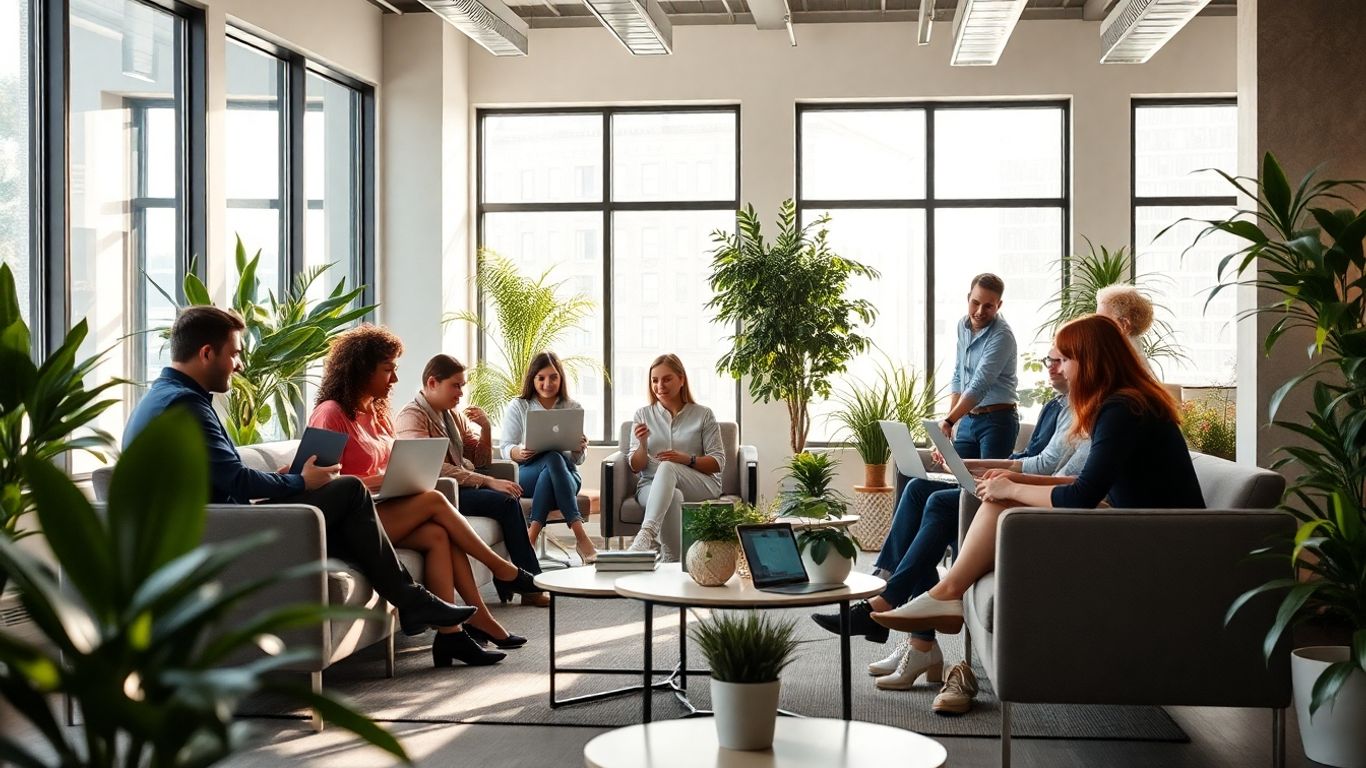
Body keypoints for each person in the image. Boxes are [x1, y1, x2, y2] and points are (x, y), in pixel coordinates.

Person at [123, 306, 478, 655]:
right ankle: (414, 601)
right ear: (206, 353)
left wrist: (285, 480)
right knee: (350, 489)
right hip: (222, 537)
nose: (240, 364)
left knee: (351, 507)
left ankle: (417, 604)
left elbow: (222, 476)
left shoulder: (163, 398)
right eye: (234, 354)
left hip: (220, 524)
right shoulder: (185, 406)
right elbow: (237, 481)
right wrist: (301, 482)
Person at [870, 315, 1204, 643]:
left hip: (1156, 540)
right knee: (997, 495)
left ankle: (945, 594)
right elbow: (1085, 484)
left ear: (1088, 361)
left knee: (1000, 495)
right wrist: (1008, 484)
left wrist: (1013, 486)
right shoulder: (1124, 403)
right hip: (1143, 526)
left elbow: (1081, 497)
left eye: (1066, 358)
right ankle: (945, 594)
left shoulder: (1122, 410)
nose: (1061, 368)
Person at [812, 349, 1086, 687]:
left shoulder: (1086, 410)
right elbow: (1028, 458)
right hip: (1023, 486)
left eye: (1061, 359)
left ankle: (894, 609)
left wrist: (999, 479)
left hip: (1034, 505)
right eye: (1050, 360)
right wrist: (964, 464)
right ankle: (913, 631)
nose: (1053, 368)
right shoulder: (1056, 407)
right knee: (916, 491)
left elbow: (1052, 472)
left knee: (939, 505)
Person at [308, 325, 541, 665]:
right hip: (351, 522)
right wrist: (385, 480)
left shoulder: (377, 414)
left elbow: (392, 466)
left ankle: (453, 637)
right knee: (434, 501)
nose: (395, 379)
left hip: (383, 507)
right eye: (388, 369)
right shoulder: (330, 413)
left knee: (437, 535)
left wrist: (400, 479)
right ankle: (503, 571)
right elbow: (327, 484)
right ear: (362, 368)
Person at [392, 353, 553, 608]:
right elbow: (430, 467)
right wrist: (487, 481)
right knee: (506, 503)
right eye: (455, 386)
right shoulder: (412, 416)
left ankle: (518, 580)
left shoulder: (452, 416)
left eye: (462, 386)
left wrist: (486, 428)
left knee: (508, 500)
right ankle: (528, 583)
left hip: (461, 487)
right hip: (438, 493)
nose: (460, 393)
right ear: (433, 382)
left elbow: (479, 459)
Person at [625, 354, 726, 561]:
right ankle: (672, 559)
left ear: (681, 379)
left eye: (666, 379)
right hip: (650, 486)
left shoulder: (704, 414)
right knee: (674, 496)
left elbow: (718, 463)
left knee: (668, 467)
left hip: (701, 484)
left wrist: (687, 459)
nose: (660, 385)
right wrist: (642, 444)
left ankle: (646, 534)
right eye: (655, 380)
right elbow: (636, 466)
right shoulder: (642, 415)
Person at [499, 351, 597, 564]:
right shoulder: (520, 406)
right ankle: (581, 537)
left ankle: (529, 539)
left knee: (554, 460)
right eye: (541, 378)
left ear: (560, 378)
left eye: (553, 377)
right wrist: (519, 452)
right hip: (528, 473)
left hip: (567, 475)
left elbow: (577, 460)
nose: (547, 383)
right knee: (552, 458)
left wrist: (580, 448)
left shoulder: (573, 407)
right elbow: (505, 447)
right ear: (532, 379)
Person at [936, 273, 1020, 460]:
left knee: (984, 486)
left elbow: (979, 385)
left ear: (999, 305)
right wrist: (951, 423)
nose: (980, 311)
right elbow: (959, 375)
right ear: (968, 298)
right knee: (959, 483)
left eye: (988, 306)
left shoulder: (1002, 336)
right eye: (975, 303)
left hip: (997, 421)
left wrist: (949, 421)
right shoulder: (962, 326)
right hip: (967, 419)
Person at [1096, 284, 1156, 364]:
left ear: (1124, 324)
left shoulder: (1114, 362)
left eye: (1102, 320)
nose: (1095, 324)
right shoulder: (1134, 356)